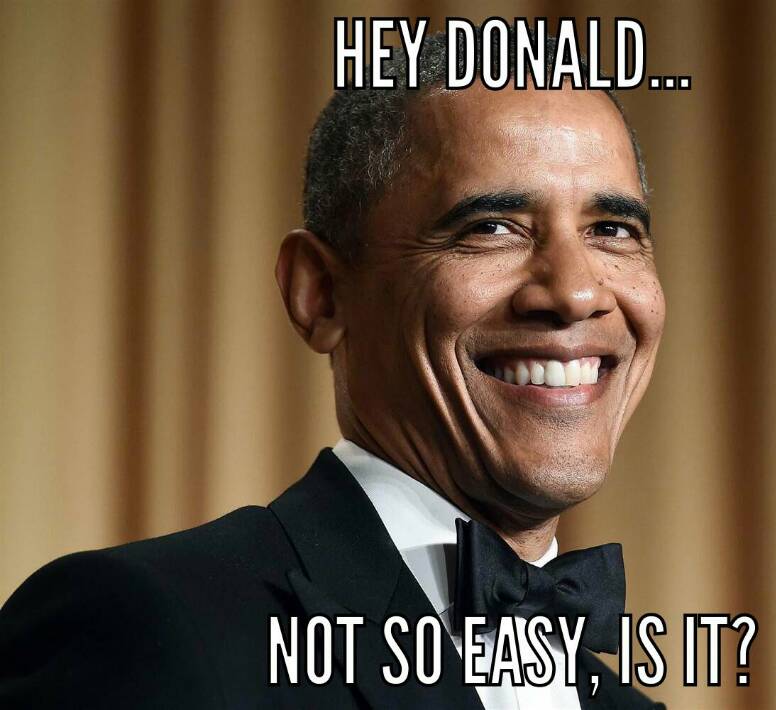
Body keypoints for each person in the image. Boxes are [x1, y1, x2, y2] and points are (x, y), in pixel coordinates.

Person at [0, 32, 665, 709]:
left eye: (612, 230)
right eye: (491, 226)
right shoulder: (139, 629)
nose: (576, 292)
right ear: (319, 294)